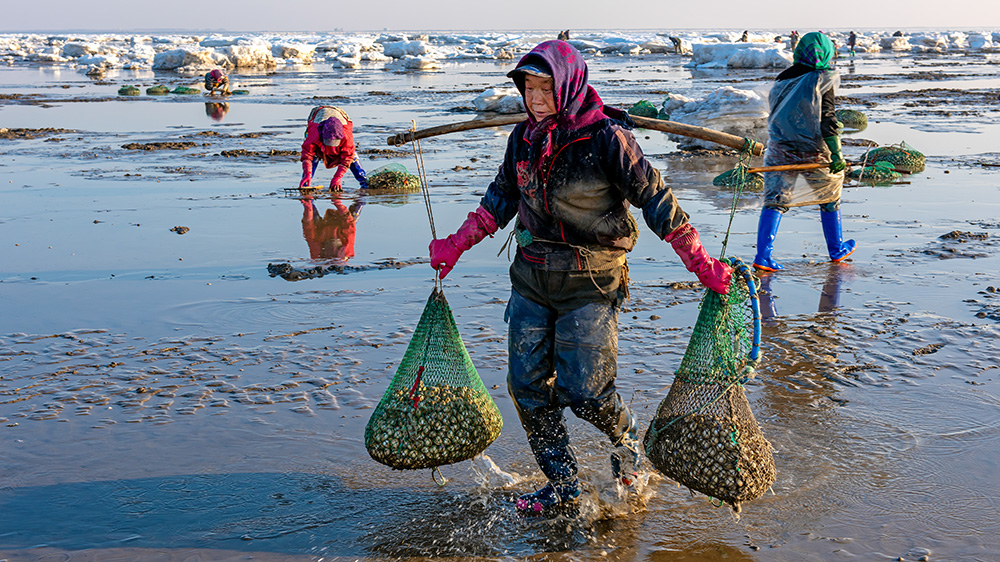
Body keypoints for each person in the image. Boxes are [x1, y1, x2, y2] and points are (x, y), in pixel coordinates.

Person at [427, 40, 732, 513]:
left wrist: (699, 260)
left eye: (546, 88)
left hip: (591, 280)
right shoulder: (524, 138)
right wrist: (457, 243)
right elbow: (502, 197)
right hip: (531, 278)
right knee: (526, 386)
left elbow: (656, 200)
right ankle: (564, 484)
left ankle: (628, 445)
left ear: (568, 85)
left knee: (585, 391)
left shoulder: (606, 137)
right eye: (528, 88)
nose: (535, 99)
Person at [753, 31, 855, 272]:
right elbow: (827, 119)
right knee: (830, 194)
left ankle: (762, 256)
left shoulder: (782, 77)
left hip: (780, 147)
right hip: (813, 149)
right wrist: (837, 154)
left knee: (775, 200)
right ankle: (837, 249)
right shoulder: (822, 78)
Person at [300, 106, 369, 191]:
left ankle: (364, 182)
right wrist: (307, 173)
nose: (331, 146)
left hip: (339, 114)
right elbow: (307, 154)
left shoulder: (347, 136)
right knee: (313, 154)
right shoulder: (314, 133)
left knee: (352, 157)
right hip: (318, 114)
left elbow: (348, 157)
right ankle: (306, 182)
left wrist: (337, 178)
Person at [300, 194, 362, 261]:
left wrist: (308, 208)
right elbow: (349, 221)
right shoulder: (347, 245)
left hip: (322, 228)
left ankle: (310, 200)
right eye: (337, 245)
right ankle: (362, 195)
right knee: (355, 212)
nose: (333, 244)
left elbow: (308, 226)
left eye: (331, 243)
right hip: (343, 224)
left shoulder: (317, 251)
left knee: (310, 210)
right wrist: (337, 203)